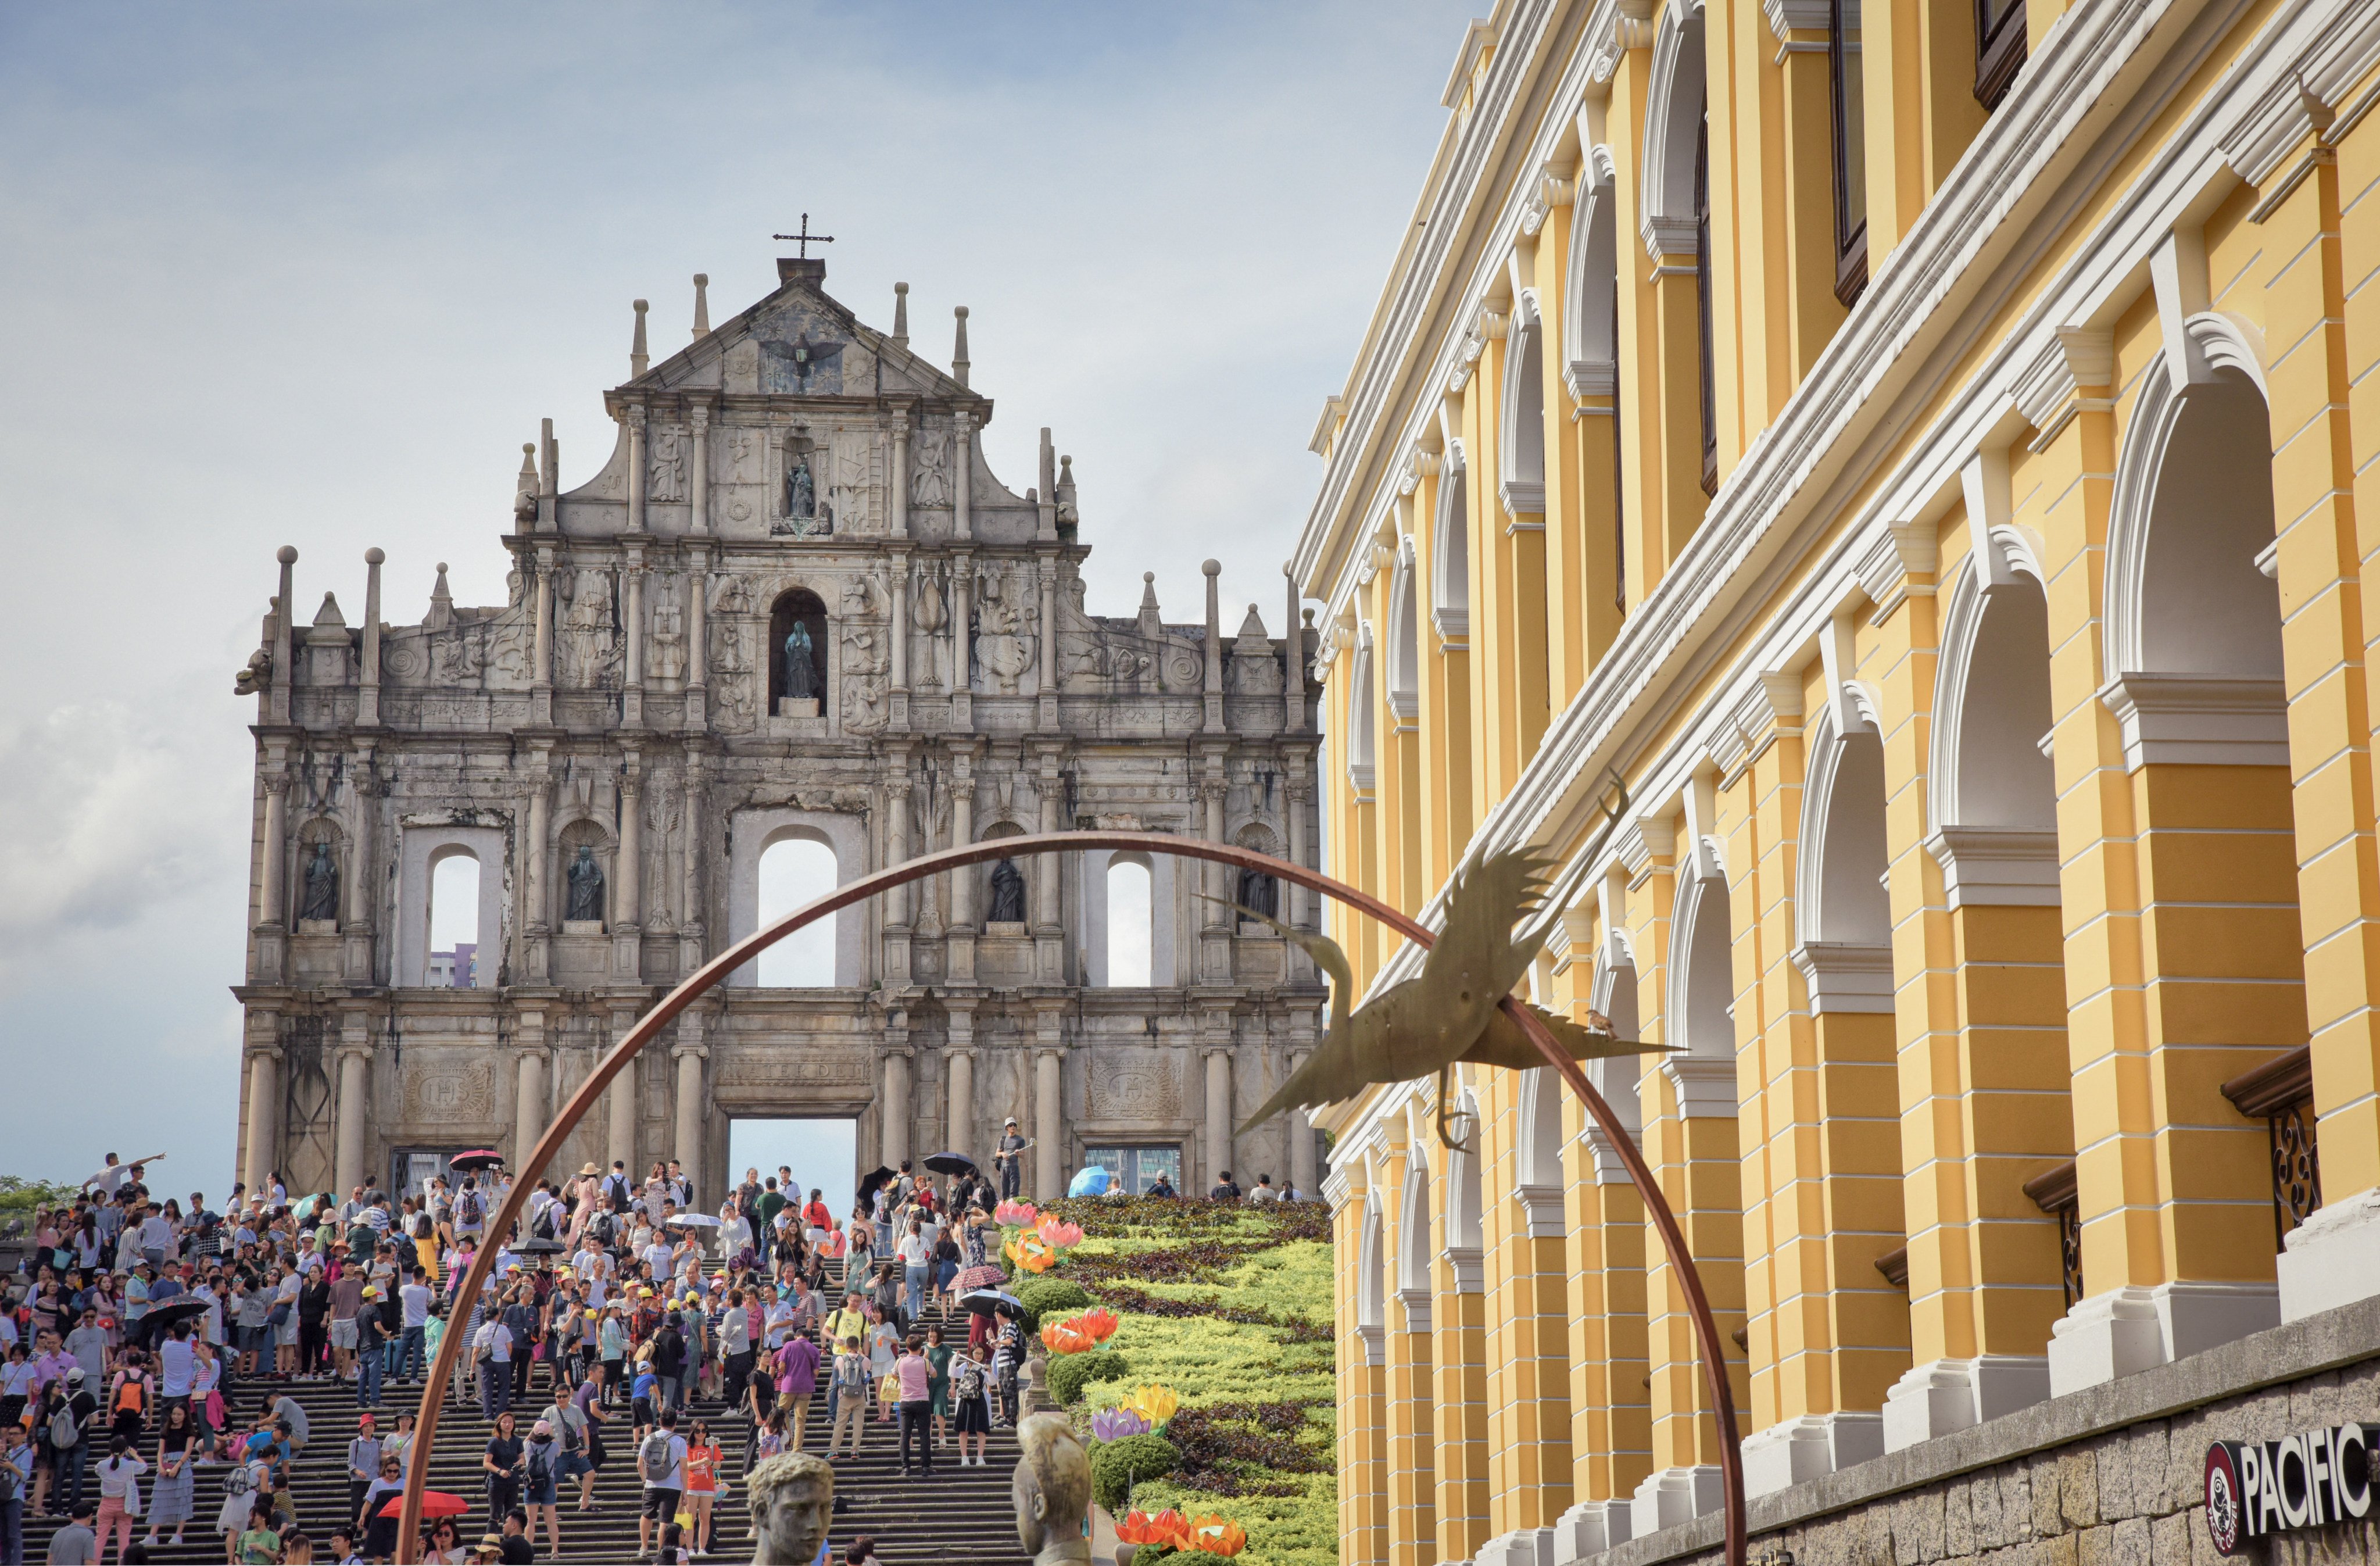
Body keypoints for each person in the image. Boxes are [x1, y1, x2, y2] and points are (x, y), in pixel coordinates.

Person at [141, 1401, 196, 1549]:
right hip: (166, 1463)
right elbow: (160, 1451)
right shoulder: (165, 1430)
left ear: (185, 1416)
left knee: (183, 1500)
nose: (176, 1417)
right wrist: (160, 1466)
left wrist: (177, 1466)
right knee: (159, 1499)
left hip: (182, 1466)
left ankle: (178, 1534)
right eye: (174, 1414)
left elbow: (188, 1451)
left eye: (179, 1414)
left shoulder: (189, 1431)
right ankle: (152, 1535)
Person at [635, 1408, 687, 1565]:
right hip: (673, 1486)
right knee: (665, 1520)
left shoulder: (649, 1438)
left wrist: (645, 1483)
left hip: (652, 1484)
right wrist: (685, 1490)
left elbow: (639, 1465)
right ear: (675, 1423)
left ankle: (644, 1547)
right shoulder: (680, 1441)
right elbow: (684, 1468)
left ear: (659, 1422)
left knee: (646, 1515)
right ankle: (661, 1553)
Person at [892, 1338, 933, 1479]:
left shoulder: (900, 1362)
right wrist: (926, 1359)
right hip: (922, 1401)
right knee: (924, 1434)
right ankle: (925, 1467)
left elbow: (893, 1375)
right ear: (920, 1349)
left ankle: (905, 1467)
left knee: (905, 1435)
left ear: (908, 1347)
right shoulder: (925, 1362)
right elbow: (934, 1374)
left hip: (905, 1401)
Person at [518, 1421, 559, 1558]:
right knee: (551, 1521)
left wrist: (533, 1432)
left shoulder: (527, 1445)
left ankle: (527, 1551)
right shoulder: (554, 1446)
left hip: (531, 1484)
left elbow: (524, 1442)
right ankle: (555, 1551)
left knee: (531, 1521)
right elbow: (559, 1453)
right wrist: (551, 1434)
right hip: (548, 1483)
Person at [681, 1417, 720, 1558]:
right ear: (693, 1431)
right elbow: (686, 1466)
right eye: (698, 1431)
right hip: (691, 1486)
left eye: (704, 1431)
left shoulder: (712, 1446)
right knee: (689, 1519)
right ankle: (690, 1548)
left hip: (707, 1487)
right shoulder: (687, 1447)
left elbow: (719, 1465)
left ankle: (702, 1548)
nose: (701, 1434)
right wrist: (701, 1462)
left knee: (705, 1519)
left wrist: (710, 1463)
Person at [950, 1342, 993, 1468]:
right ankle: (964, 1457)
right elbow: (952, 1373)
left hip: (979, 1400)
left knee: (981, 1430)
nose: (978, 1356)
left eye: (981, 1353)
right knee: (964, 1430)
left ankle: (980, 1457)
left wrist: (990, 1372)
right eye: (976, 1353)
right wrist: (955, 1359)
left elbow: (993, 1382)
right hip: (965, 1401)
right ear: (972, 1353)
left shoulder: (984, 1367)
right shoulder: (965, 1365)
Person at [482, 1411, 524, 1535]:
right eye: (504, 1422)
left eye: (510, 1422)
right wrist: (499, 1471)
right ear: (499, 1424)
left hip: (513, 1482)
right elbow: (486, 1463)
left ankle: (509, 1542)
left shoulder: (517, 1441)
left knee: (511, 1516)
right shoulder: (494, 1442)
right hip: (497, 1482)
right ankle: (490, 1542)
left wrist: (521, 1462)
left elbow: (522, 1458)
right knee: (495, 1515)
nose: (507, 1425)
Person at [826, 1339, 867, 1460]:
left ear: (846, 1346)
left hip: (844, 1395)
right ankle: (855, 1451)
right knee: (858, 1424)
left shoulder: (840, 1359)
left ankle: (834, 1451)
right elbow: (869, 1367)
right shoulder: (864, 1360)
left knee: (840, 1424)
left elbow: (836, 1369)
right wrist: (861, 1353)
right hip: (860, 1395)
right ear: (858, 1346)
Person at [45, 1501, 97, 1565]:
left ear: (72, 1517)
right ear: (90, 1517)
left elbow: (49, 1562)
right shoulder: (88, 1535)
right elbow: (89, 1563)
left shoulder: (58, 1533)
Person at [994, 1119, 1028, 1200]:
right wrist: (1003, 1154)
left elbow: (1023, 1155)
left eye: (1014, 1125)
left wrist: (1018, 1154)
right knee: (1004, 1191)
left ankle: (1013, 1205)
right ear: (1007, 1128)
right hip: (1004, 1167)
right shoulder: (1003, 1139)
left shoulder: (1020, 1140)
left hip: (1014, 1167)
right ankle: (1005, 1205)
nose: (1013, 1127)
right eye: (1011, 1125)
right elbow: (997, 1154)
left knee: (1014, 1191)